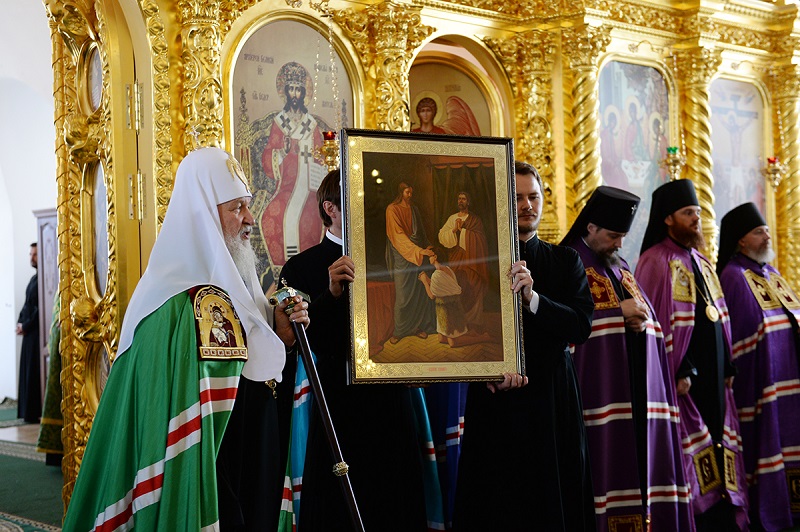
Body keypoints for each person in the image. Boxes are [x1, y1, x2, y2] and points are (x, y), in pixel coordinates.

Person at [63, 147, 309, 531]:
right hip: (214, 475)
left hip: (245, 465)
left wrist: (281, 336)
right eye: (237, 208)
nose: (250, 219)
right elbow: (204, 411)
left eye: (248, 206)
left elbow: (253, 375)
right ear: (203, 215)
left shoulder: (234, 288)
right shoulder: (180, 303)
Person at [277, 169, 429, 531]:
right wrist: (330, 293)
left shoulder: (389, 254)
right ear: (330, 208)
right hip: (337, 401)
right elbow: (300, 341)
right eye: (352, 202)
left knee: (396, 500)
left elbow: (414, 315)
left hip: (391, 395)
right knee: (337, 507)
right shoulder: (300, 267)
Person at [453, 161, 596, 531]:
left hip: (551, 397)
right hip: (494, 397)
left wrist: (534, 299)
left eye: (533, 197)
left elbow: (580, 326)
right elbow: (459, 326)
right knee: (496, 499)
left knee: (552, 496)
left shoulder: (566, 260)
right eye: (517, 198)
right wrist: (482, 370)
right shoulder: (476, 262)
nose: (527, 205)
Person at [561, 186, 692, 531]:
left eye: (623, 236)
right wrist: (618, 313)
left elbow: (647, 316)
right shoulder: (566, 263)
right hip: (595, 393)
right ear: (590, 227)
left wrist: (639, 322)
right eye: (613, 236)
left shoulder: (619, 266)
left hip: (634, 385)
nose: (620, 244)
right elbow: (564, 326)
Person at [636, 179, 748, 530]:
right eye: (688, 213)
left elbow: (720, 315)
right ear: (668, 219)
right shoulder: (654, 261)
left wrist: (728, 364)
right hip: (683, 376)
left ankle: (723, 511)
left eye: (698, 212)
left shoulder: (701, 259)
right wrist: (680, 367)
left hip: (714, 372)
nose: (696, 219)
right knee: (692, 443)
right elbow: (655, 323)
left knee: (718, 434)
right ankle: (701, 514)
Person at [718, 202, 800, 530]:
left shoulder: (772, 274)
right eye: (758, 232)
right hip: (761, 382)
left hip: (788, 381)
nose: (767, 236)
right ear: (741, 240)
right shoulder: (733, 276)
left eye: (766, 230)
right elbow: (742, 335)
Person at [260, 61, 326, 268]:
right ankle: (286, 270)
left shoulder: (311, 125)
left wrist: (321, 165)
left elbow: (321, 156)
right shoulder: (280, 123)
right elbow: (268, 154)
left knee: (314, 215)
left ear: (303, 93)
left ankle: (309, 269)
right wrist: (282, 151)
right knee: (275, 213)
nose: (295, 94)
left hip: (311, 188)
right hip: (287, 187)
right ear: (286, 92)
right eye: (291, 89)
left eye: (298, 89)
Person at [385, 181, 436, 344]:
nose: (410, 195)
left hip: (417, 255)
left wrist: (427, 246)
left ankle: (417, 327)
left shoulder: (414, 209)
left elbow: (420, 232)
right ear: (401, 193)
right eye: (407, 192)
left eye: (411, 192)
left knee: (418, 293)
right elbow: (397, 236)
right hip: (402, 255)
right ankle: (400, 331)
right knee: (403, 296)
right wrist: (419, 251)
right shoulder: (392, 209)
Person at [437, 191, 489, 330]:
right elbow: (441, 236)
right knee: (458, 286)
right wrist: (454, 230)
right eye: (459, 199)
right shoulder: (452, 218)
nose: (460, 201)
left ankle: (475, 322)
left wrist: (464, 231)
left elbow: (481, 239)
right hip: (456, 259)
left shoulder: (475, 220)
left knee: (473, 285)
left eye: (464, 199)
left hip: (472, 261)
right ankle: (460, 322)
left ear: (468, 202)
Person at [16, 242, 40, 423]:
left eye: (35, 254)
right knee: (27, 371)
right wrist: (20, 323)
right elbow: (27, 306)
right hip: (28, 333)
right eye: (30, 254)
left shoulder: (43, 281)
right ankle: (27, 412)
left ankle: (33, 412)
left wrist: (26, 326)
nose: (32, 258)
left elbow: (39, 310)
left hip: (36, 334)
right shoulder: (34, 279)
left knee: (33, 372)